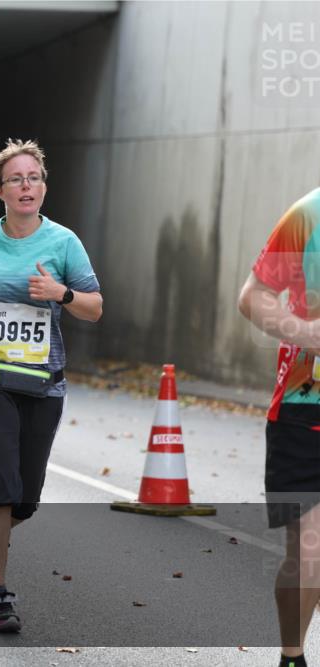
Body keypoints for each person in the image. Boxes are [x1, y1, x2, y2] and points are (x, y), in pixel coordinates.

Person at [0, 140, 102, 634]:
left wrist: (60, 293)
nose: (26, 186)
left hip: (44, 382)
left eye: (33, 178)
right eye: (15, 179)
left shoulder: (63, 242)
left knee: (26, 497)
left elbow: (94, 306)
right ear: (0, 190)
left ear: (43, 187)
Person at [237, 187, 319, 667]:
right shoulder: (308, 214)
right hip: (304, 409)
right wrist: (306, 332)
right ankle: (292, 656)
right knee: (309, 546)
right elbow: (254, 297)